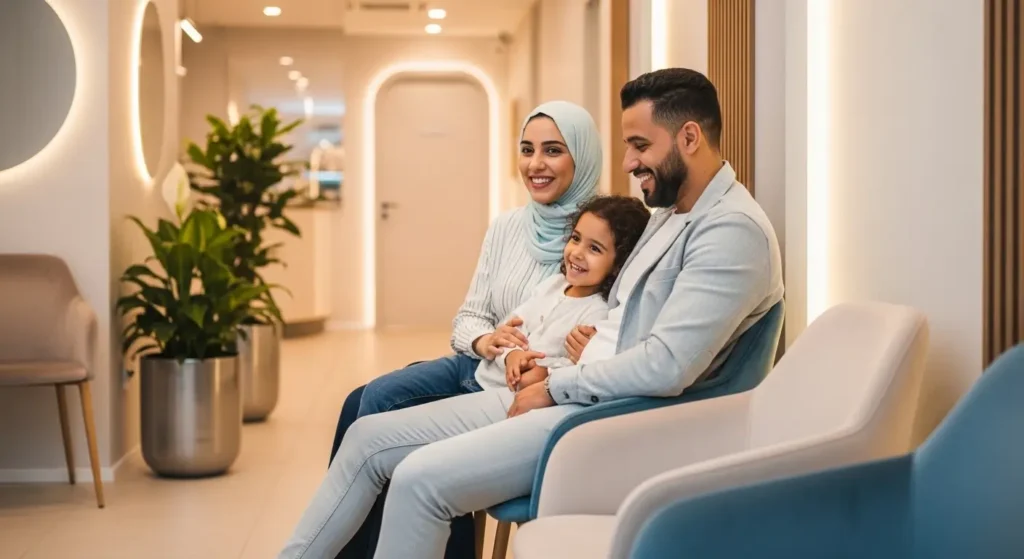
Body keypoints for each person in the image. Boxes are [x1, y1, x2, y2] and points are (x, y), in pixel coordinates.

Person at [281, 67, 784, 559]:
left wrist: (555, 385)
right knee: (367, 434)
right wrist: (549, 367)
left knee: (418, 480)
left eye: (640, 145)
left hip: (614, 417)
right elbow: (615, 325)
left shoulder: (730, 231)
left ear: (690, 137)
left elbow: (665, 366)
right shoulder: (672, 215)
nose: (628, 162)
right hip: (572, 387)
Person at [327, 100, 603, 559]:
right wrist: (485, 340)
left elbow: (601, 335)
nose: (535, 164)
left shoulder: (604, 233)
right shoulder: (507, 227)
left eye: (553, 151)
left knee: (373, 410)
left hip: (516, 391)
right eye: (527, 149)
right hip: (474, 365)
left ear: (583, 155)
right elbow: (467, 318)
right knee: (362, 400)